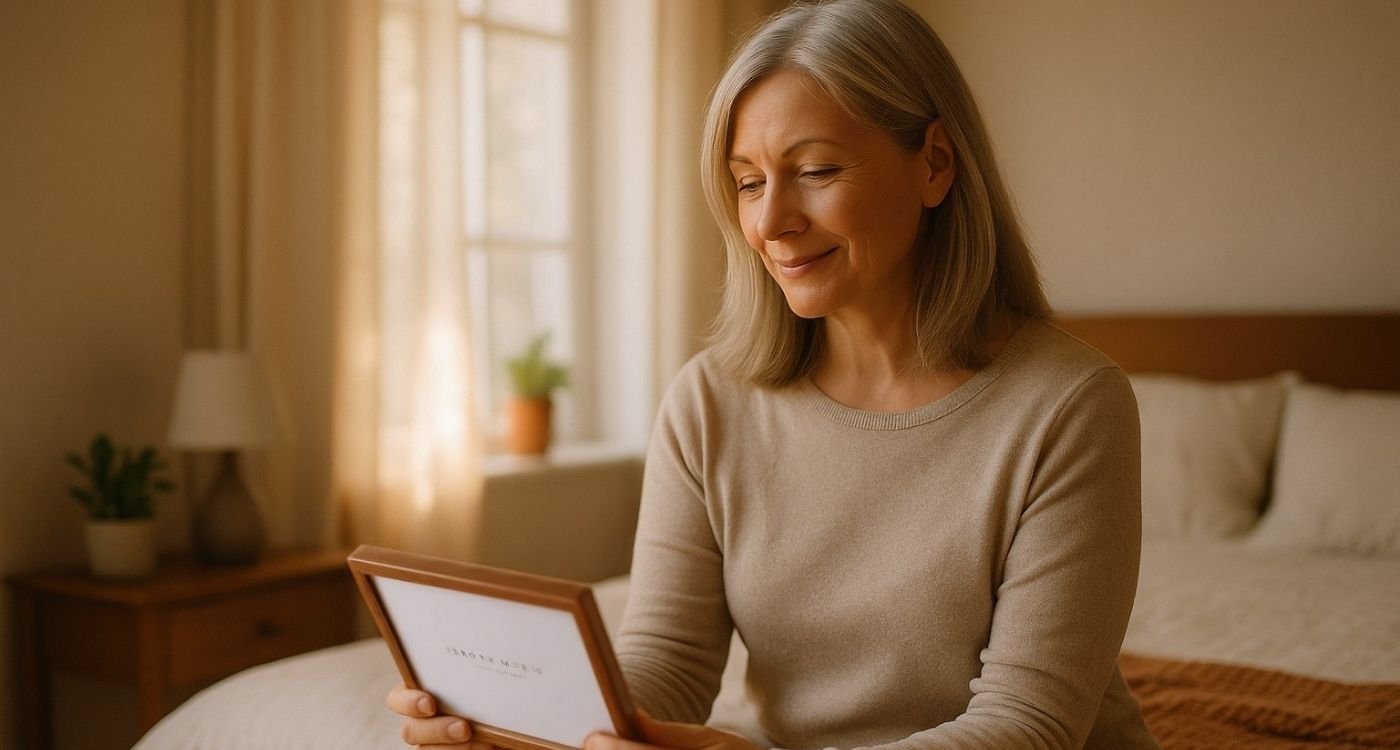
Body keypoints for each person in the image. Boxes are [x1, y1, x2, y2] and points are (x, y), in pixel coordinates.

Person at [390, 0, 1159, 748]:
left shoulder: (1068, 404)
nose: (769, 222)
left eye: (815, 170)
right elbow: (671, 663)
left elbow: (1028, 726)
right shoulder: (709, 401)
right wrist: (520, 722)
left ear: (934, 164)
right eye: (749, 182)